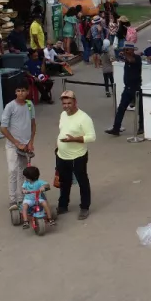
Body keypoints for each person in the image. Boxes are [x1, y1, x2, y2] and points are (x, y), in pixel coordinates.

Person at [55, 90, 95, 219]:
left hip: (77, 156)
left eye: (69, 103)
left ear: (75, 102)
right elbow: (63, 130)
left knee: (82, 181)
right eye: (64, 103)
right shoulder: (63, 114)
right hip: (62, 155)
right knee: (64, 181)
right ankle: (63, 205)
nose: (66, 106)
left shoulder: (84, 118)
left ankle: (84, 207)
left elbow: (92, 137)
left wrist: (74, 139)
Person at [0, 81, 36, 211]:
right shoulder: (10, 106)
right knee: (12, 170)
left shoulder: (29, 104)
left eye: (23, 90)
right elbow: (3, 128)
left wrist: (31, 142)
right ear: (15, 92)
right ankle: (12, 200)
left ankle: (22, 198)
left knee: (23, 172)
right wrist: (16, 143)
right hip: (12, 145)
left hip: (26, 146)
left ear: (28, 92)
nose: (20, 93)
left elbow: (33, 124)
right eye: (18, 90)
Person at [107, 43, 144, 136]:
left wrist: (124, 53)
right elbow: (118, 58)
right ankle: (116, 128)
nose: (126, 51)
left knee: (140, 109)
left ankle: (141, 127)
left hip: (136, 88)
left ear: (132, 50)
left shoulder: (137, 58)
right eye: (125, 49)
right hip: (127, 88)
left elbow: (131, 60)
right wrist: (121, 54)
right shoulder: (126, 58)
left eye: (128, 50)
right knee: (121, 108)